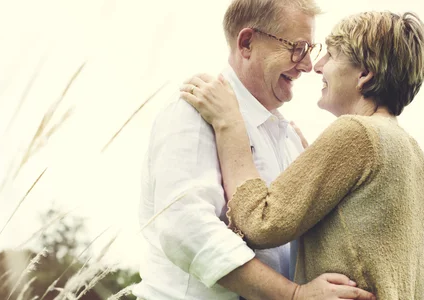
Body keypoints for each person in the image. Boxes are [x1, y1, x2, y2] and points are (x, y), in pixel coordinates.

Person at [180, 10, 424, 300]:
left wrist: (230, 126)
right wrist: (315, 161)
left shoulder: (355, 133)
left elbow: (261, 222)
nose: (317, 65)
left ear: (364, 75)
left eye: (333, 54)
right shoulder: (412, 153)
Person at [133, 0, 376, 299]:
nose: (307, 65)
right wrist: (294, 295)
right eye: (297, 48)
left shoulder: (288, 139)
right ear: (247, 43)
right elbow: (185, 229)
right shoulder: (194, 112)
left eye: (309, 50)